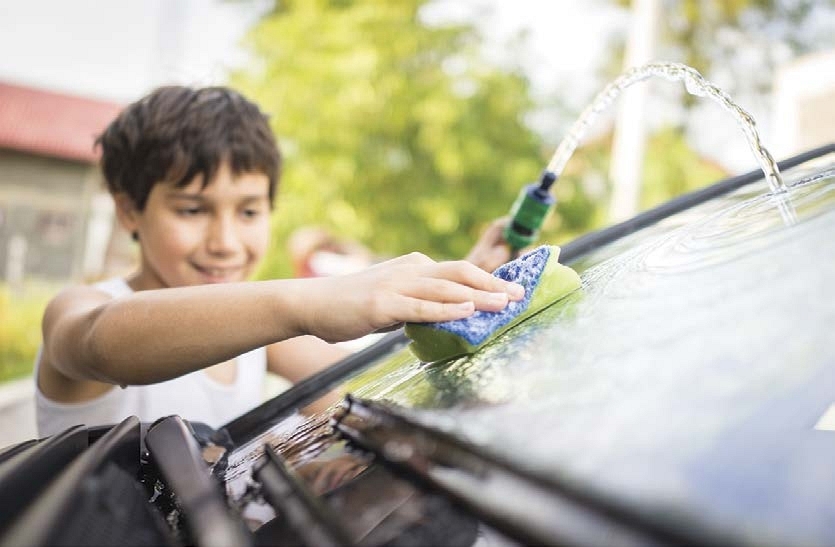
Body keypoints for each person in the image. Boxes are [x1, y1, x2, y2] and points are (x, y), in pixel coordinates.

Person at [34, 86, 521, 437]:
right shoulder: (82, 310)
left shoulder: (260, 344)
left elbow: (380, 390)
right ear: (128, 210)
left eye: (248, 211)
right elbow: (101, 343)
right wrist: (307, 300)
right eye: (191, 210)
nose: (225, 242)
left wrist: (461, 292)